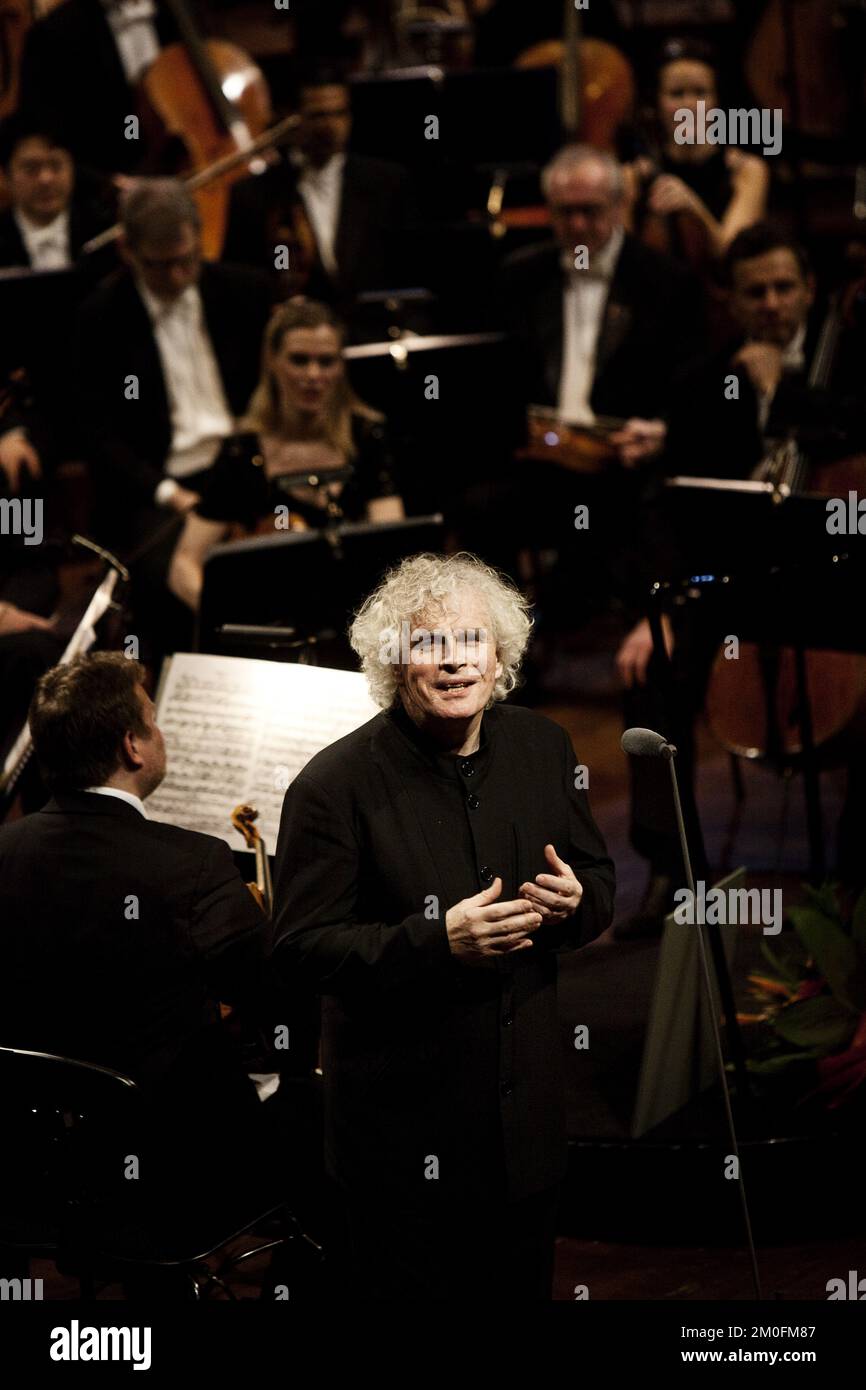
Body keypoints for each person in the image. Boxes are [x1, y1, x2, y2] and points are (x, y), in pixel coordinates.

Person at [272, 551, 615, 1299]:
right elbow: (300, 950)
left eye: (473, 641)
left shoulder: (544, 748)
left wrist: (573, 903)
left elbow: (599, 885)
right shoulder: (333, 787)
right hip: (401, 1148)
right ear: (396, 665)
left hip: (524, 1132)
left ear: (502, 658)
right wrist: (438, 943)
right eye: (430, 644)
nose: (455, 661)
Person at [615, 223, 866, 928]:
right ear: (730, 299)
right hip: (734, 589)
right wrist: (656, 607)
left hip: (835, 579)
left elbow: (851, 430)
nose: (772, 304)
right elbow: (667, 502)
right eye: (754, 291)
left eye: (785, 287)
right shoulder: (704, 377)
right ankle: (674, 866)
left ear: (811, 290)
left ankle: (856, 870)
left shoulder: (847, 362)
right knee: (649, 671)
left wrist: (782, 389)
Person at [0, 652, 287, 1239]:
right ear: (133, 746)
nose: (160, 732)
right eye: (153, 721)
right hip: (174, 1171)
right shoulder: (195, 864)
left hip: (30, 1165)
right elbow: (272, 992)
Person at [168, 299, 404, 614]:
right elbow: (184, 565)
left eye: (326, 362)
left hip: (354, 617)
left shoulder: (367, 436)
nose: (313, 374)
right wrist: (228, 619)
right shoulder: (242, 451)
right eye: (299, 360)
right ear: (273, 361)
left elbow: (390, 550)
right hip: (268, 617)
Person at [223, 70, 416, 314]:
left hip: (372, 328)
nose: (330, 126)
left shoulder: (388, 182)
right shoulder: (254, 194)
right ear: (292, 118)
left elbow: (407, 267)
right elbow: (243, 280)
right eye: (318, 116)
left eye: (339, 114)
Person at [624, 37, 769, 264]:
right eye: (677, 94)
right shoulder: (634, 176)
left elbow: (735, 259)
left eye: (700, 92)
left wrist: (694, 209)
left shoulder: (747, 169)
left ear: (717, 100)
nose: (690, 106)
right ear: (656, 103)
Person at [0, 115, 114, 272]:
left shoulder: (105, 232)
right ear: (5, 176)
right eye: (31, 168)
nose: (45, 179)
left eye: (56, 165)